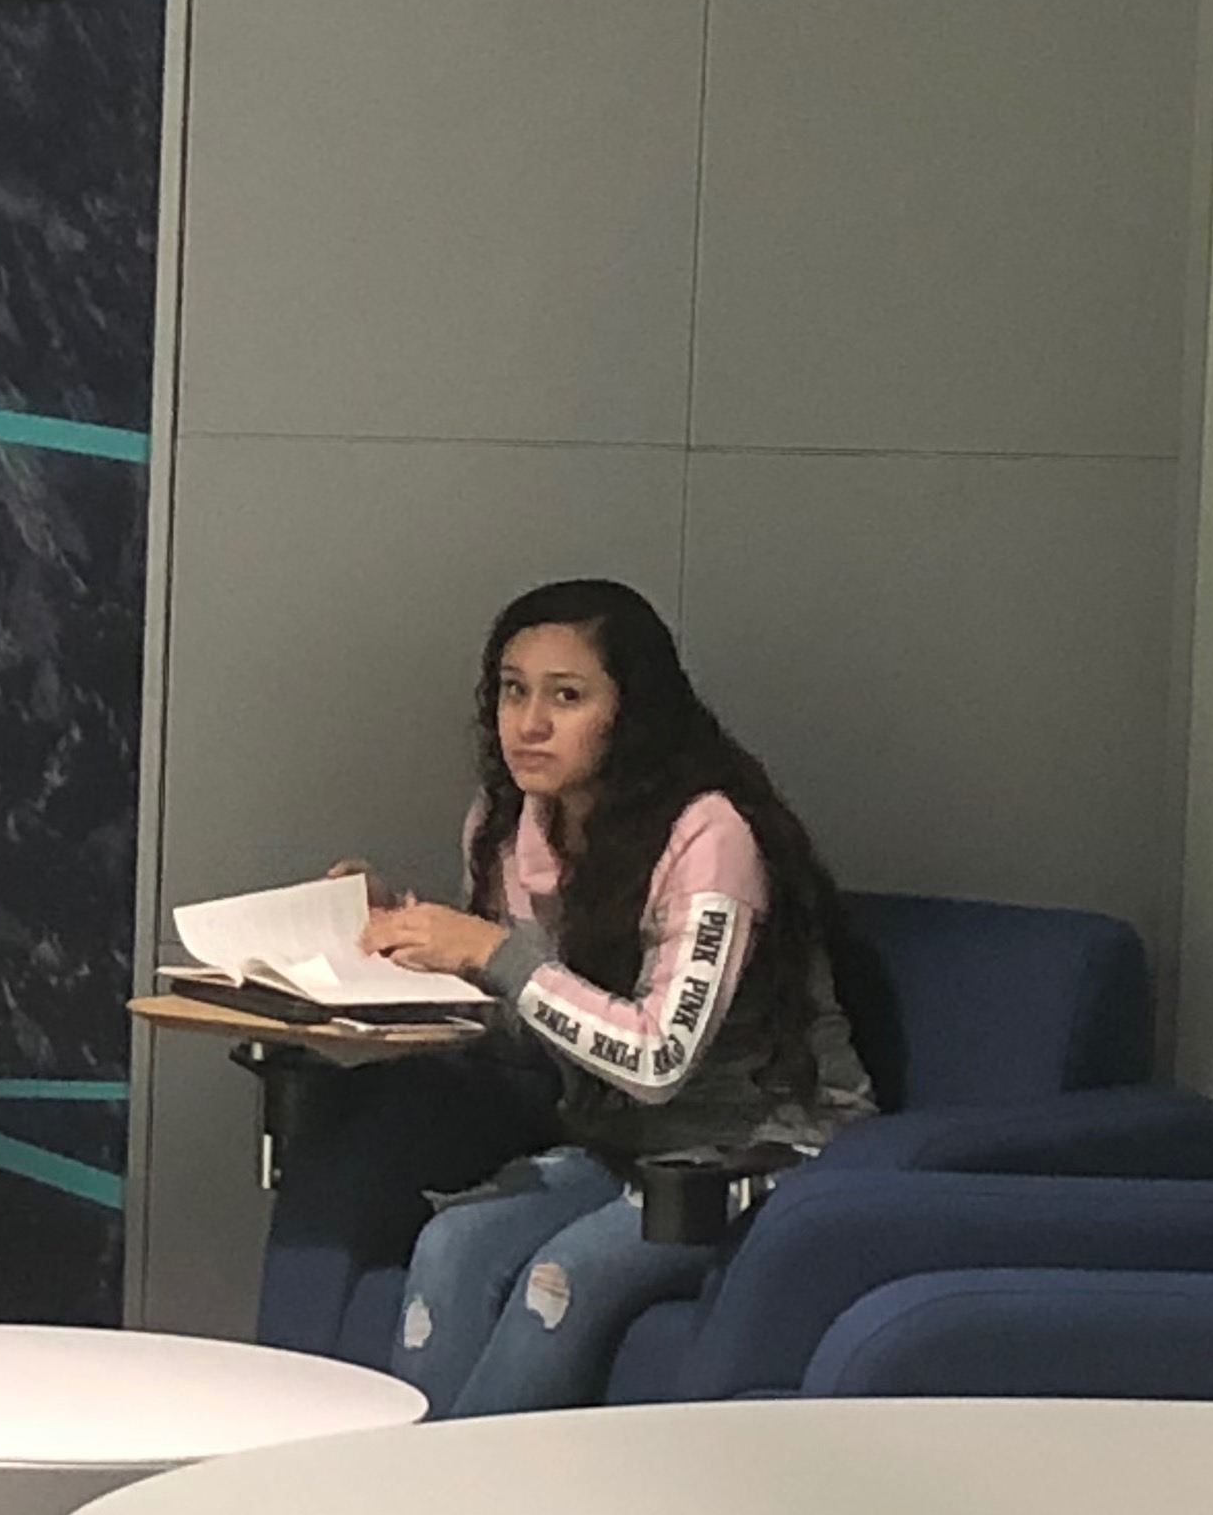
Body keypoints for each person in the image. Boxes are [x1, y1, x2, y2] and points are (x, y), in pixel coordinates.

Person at [289, 578, 873, 1415]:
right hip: (614, 1144)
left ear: (632, 712)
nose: (529, 724)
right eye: (512, 691)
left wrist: (493, 952)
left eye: (566, 697)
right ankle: (413, 1484)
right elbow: (528, 1029)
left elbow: (656, 1059)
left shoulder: (710, 837)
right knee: (452, 1242)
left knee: (562, 1278)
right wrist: (405, 948)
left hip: (761, 1156)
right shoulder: (504, 822)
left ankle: (469, 1493)